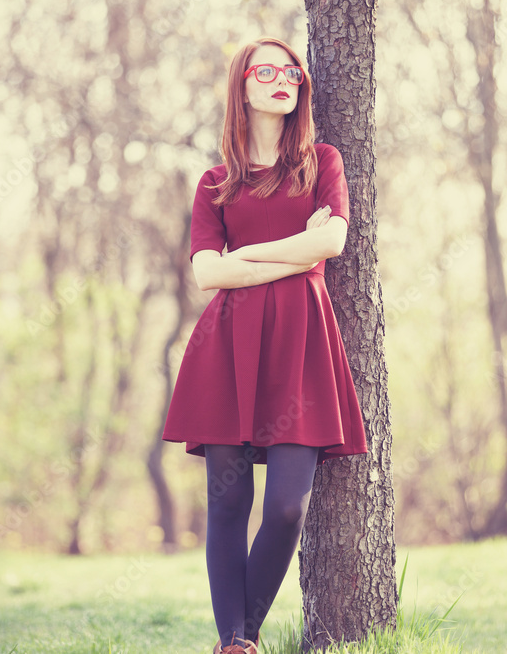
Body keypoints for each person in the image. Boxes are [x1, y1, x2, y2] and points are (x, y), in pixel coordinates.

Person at [161, 37, 368, 654]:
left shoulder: (322, 161)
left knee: (284, 507)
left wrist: (244, 255)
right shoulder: (214, 182)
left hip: (302, 346)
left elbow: (329, 244)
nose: (284, 80)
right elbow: (207, 274)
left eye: (293, 73)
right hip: (228, 348)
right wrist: (287, 252)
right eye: (267, 71)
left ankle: (244, 633)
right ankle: (236, 643)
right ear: (242, 86)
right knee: (228, 503)